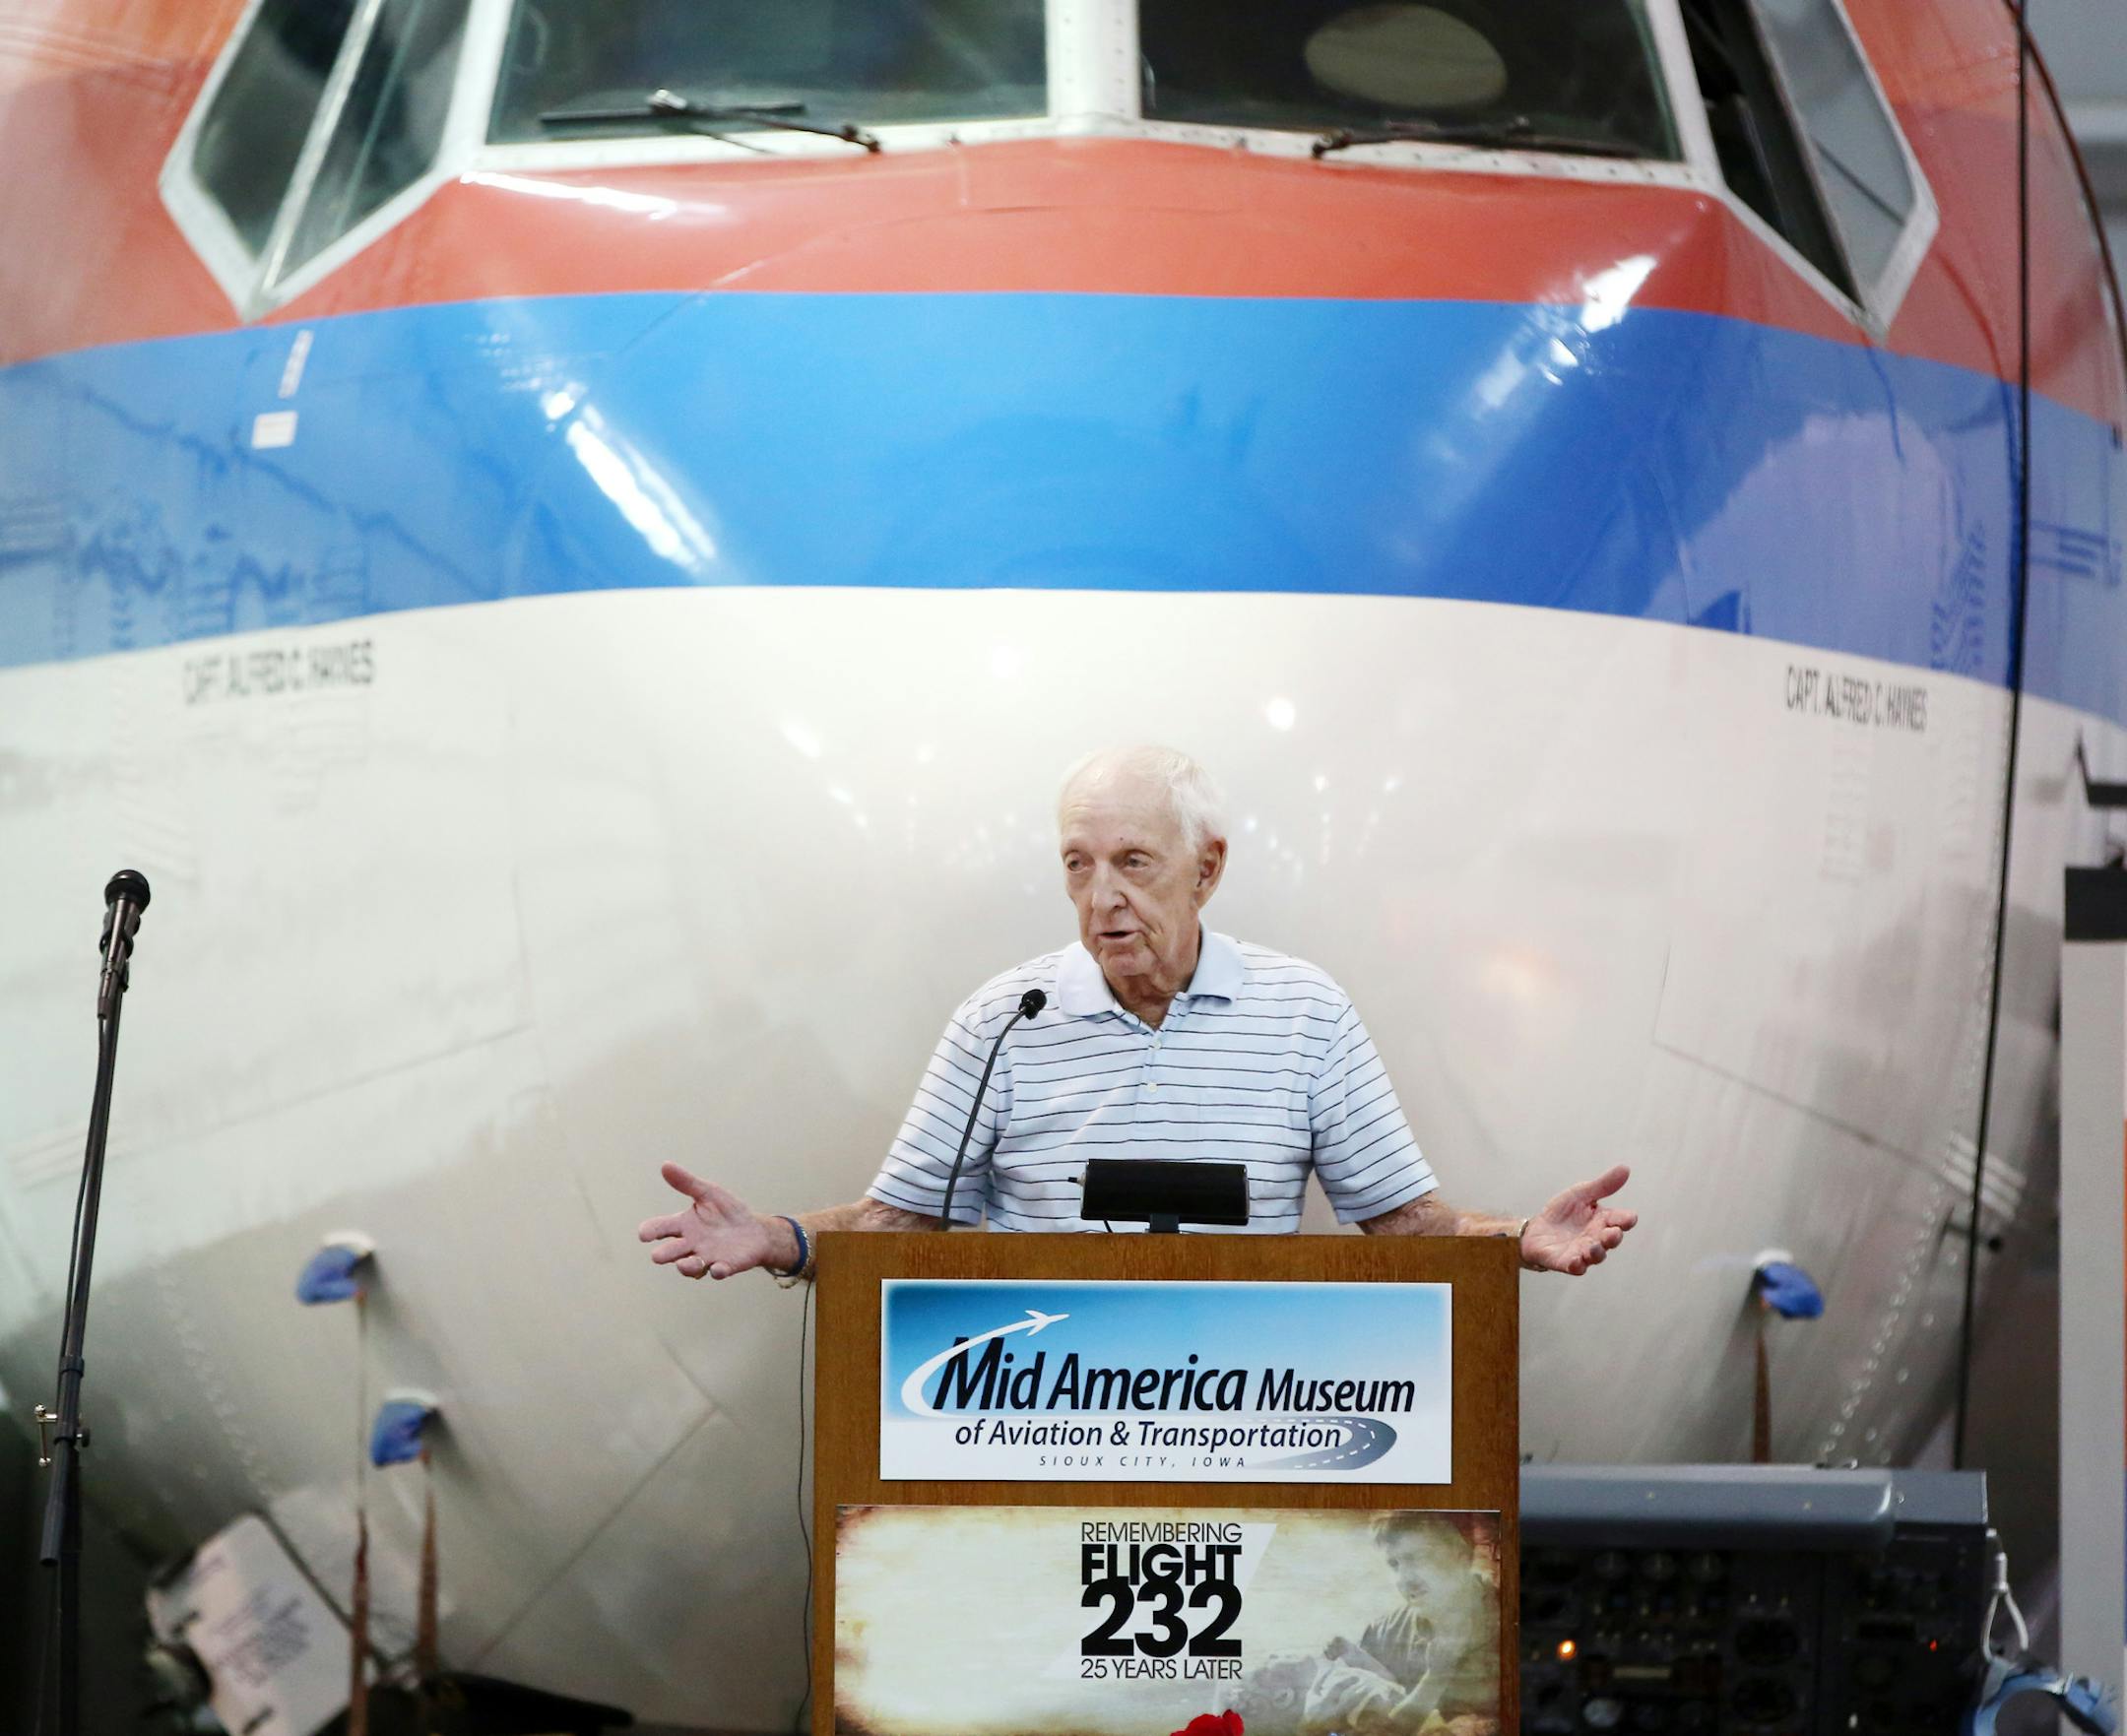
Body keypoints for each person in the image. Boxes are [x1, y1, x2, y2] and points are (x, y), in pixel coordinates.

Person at [639, 745, 1636, 1280]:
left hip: (1248, 1419)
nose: (1102, 894)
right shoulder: (1005, 1019)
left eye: (1133, 863)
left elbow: (1404, 1226)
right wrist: (774, 1236)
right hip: (1039, 1422)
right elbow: (897, 1223)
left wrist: (1516, 1240)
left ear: (1207, 869)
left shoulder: (1304, 1012)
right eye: (1079, 863)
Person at [1300, 1513, 1501, 1736]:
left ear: (1461, 1556)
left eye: (1419, 1558)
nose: (1404, 1579)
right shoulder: (1382, 1634)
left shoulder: (1511, 1623)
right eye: (1394, 1564)